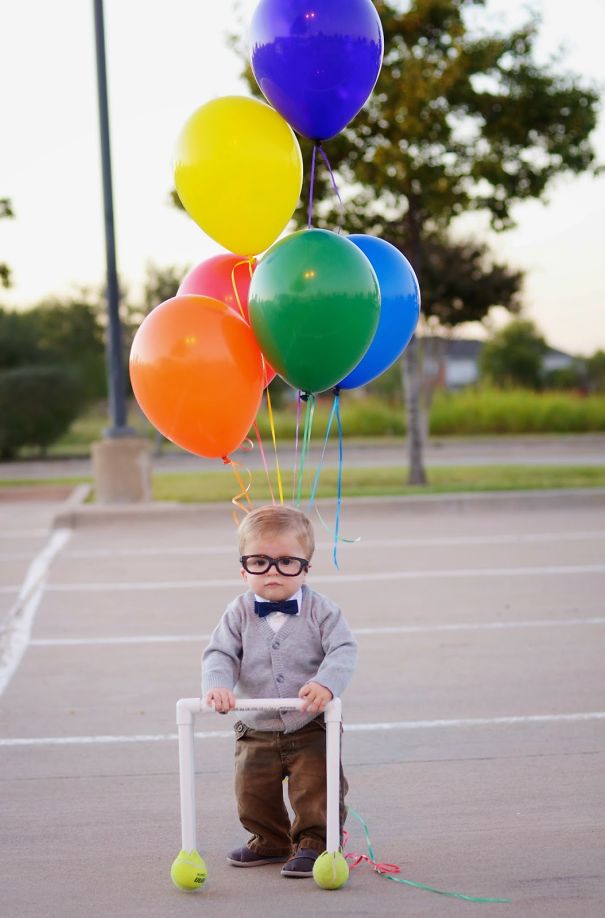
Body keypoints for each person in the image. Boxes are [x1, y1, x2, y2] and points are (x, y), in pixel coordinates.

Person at [202, 504, 357, 878]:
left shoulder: (322, 611)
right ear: (243, 569)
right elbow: (220, 653)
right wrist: (218, 685)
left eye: (286, 562)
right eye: (260, 562)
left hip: (309, 722)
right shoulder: (237, 612)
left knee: (314, 789)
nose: (272, 571)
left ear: (306, 567)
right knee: (252, 791)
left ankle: (315, 843)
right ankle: (269, 840)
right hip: (255, 724)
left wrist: (325, 683)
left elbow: (343, 649)